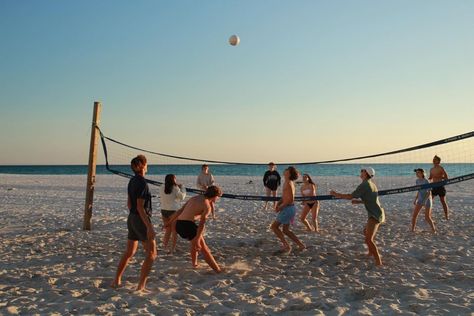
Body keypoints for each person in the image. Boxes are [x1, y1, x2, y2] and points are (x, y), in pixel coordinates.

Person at [111, 155, 157, 291]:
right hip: (140, 219)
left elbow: (129, 203)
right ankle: (140, 286)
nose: (147, 166)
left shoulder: (132, 181)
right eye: (146, 164)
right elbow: (140, 207)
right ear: (142, 166)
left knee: (130, 251)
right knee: (152, 253)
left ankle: (116, 280)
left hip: (131, 218)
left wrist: (134, 216)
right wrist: (149, 227)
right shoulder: (142, 182)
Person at [330, 167, 385, 266]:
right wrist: (359, 201)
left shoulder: (365, 184)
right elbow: (372, 199)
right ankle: (370, 252)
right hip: (377, 212)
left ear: (366, 173)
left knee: (368, 239)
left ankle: (378, 262)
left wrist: (336, 194)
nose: (360, 172)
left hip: (375, 214)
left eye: (362, 171)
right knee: (366, 232)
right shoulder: (372, 184)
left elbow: (350, 196)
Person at [167, 185, 222, 273]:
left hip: (178, 224)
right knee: (204, 248)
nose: (218, 199)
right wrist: (197, 239)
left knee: (194, 244)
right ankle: (217, 270)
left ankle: (194, 264)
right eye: (218, 197)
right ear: (215, 196)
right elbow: (201, 225)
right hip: (187, 225)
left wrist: (169, 222)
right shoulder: (207, 206)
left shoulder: (194, 198)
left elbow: (181, 210)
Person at [270, 166, 306, 254]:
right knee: (285, 230)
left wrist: (281, 207)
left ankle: (286, 246)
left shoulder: (289, 183)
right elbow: (284, 196)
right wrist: (278, 204)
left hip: (288, 208)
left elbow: (290, 199)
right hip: (288, 208)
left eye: (287, 169)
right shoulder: (286, 182)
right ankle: (300, 245)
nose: (284, 170)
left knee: (274, 227)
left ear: (289, 173)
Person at [159, 174, 186, 254]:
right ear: (173, 180)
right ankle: (172, 249)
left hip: (164, 210)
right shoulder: (175, 188)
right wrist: (183, 188)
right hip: (173, 211)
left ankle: (164, 246)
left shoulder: (161, 186)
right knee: (174, 231)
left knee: (168, 230)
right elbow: (182, 197)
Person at [411, 168, 436, 233]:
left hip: (427, 200)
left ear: (422, 173)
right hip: (420, 200)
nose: (417, 174)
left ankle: (433, 230)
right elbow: (419, 191)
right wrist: (415, 199)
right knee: (414, 215)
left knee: (427, 217)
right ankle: (412, 230)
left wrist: (425, 200)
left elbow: (429, 192)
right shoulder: (417, 181)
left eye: (418, 172)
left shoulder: (426, 181)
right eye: (416, 173)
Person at [429, 155, 449, 220]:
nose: (434, 161)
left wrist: (440, 177)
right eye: (433, 159)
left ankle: (446, 216)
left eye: (435, 160)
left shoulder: (441, 168)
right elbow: (430, 178)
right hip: (434, 187)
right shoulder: (431, 169)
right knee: (429, 201)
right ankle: (429, 215)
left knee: (443, 201)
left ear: (438, 161)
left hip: (440, 186)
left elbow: (446, 177)